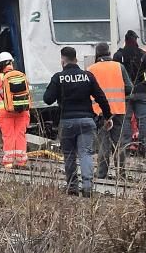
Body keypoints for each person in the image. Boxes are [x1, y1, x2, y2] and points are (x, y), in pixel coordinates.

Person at [44, 46, 112, 197]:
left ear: (63, 60)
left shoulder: (58, 77)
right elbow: (101, 97)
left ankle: (72, 187)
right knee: (86, 154)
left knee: (69, 155)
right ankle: (87, 188)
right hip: (87, 121)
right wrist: (108, 116)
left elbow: (47, 99)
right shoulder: (88, 76)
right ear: (76, 59)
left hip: (67, 121)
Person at [88, 42, 132, 179]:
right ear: (109, 53)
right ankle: (122, 174)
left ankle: (101, 173)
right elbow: (129, 88)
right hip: (118, 110)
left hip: (99, 111)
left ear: (97, 54)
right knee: (119, 143)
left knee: (103, 143)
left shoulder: (91, 69)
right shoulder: (119, 66)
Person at [114, 30, 146, 155]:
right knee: (143, 119)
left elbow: (116, 75)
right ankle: (145, 148)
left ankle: (125, 148)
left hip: (124, 92)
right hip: (141, 91)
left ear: (125, 40)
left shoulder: (118, 55)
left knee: (125, 119)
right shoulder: (144, 55)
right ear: (136, 40)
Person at [0, 52, 32, 168]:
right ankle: (21, 161)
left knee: (8, 136)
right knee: (20, 134)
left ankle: (8, 163)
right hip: (22, 111)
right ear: (11, 63)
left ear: (0, 64)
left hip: (5, 112)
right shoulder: (21, 75)